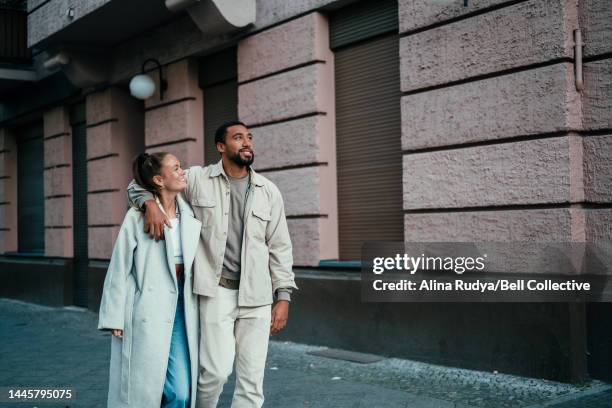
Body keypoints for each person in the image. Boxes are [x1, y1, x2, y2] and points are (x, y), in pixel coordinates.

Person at [127, 121, 297, 408]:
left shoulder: (268, 191)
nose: (247, 143)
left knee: (252, 382)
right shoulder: (197, 179)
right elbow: (140, 182)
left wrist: (283, 296)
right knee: (214, 373)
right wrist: (149, 204)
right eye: (238, 138)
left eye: (250, 138)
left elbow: (280, 247)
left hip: (257, 295)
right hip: (216, 292)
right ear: (220, 146)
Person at [98, 152, 201, 408]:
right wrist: (114, 316)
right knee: (142, 390)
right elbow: (119, 267)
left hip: (182, 307)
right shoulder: (136, 217)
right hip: (143, 307)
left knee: (181, 392)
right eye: (175, 168)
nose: (182, 172)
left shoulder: (190, 213)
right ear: (159, 179)